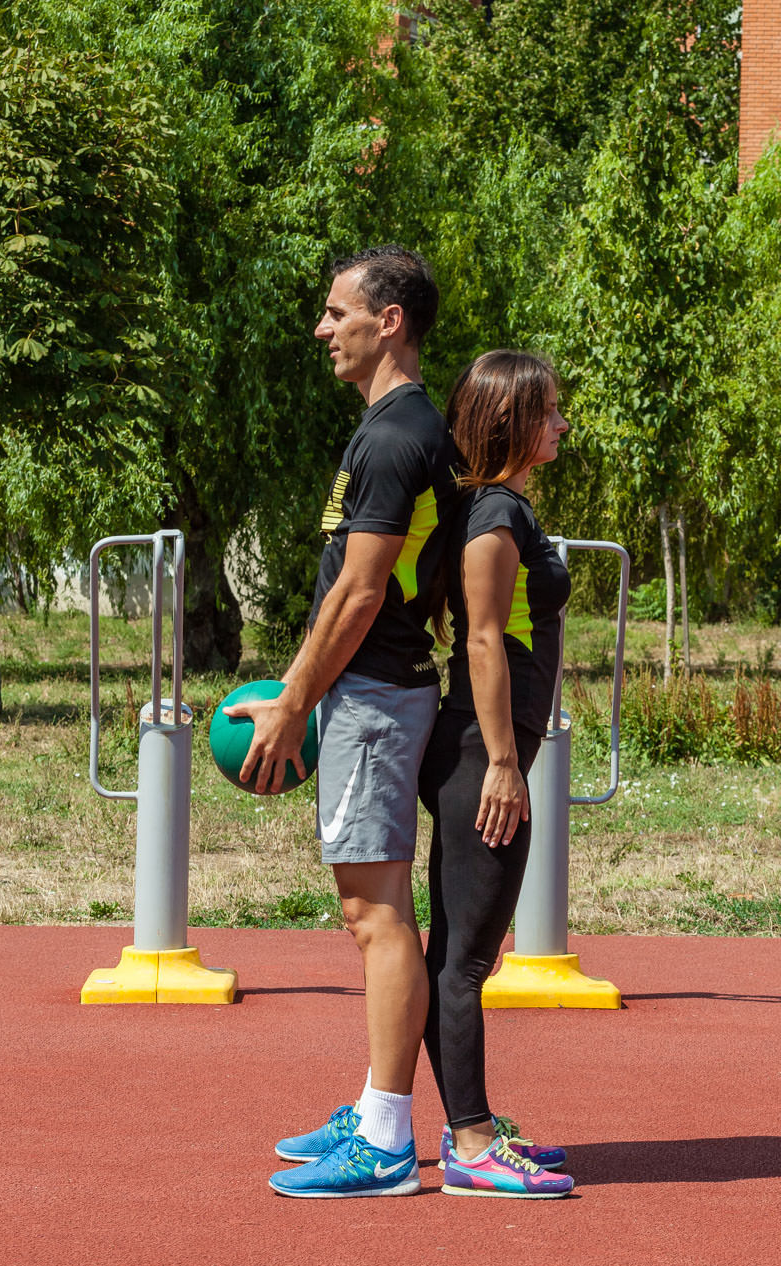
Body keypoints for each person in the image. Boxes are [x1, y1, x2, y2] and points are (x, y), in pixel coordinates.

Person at [227, 246, 458, 1198]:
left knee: (375, 916)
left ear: (388, 320)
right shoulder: (392, 430)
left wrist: (298, 703)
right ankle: (375, 1107)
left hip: (373, 701)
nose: (323, 329)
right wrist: (291, 690)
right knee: (372, 911)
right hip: (365, 697)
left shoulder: (398, 437)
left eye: (336, 314)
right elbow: (350, 590)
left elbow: (362, 594)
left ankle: (390, 1143)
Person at [418, 350, 575, 1198]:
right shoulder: (493, 516)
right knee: (468, 962)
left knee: (455, 953)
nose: (562, 423)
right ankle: (472, 1145)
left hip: (485, 749)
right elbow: (481, 640)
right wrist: (505, 767)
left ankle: (466, 1123)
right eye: (550, 411)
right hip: (483, 755)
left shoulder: (501, 508)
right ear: (514, 419)